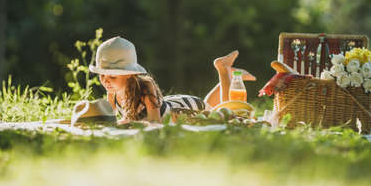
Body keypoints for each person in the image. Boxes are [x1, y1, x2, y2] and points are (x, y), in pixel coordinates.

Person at [89, 36, 256, 124]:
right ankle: (231, 76)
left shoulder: (146, 87)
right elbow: (111, 121)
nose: (106, 81)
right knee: (209, 104)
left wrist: (127, 124)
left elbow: (155, 123)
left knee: (224, 112)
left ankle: (224, 71)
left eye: (112, 76)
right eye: (102, 75)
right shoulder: (112, 92)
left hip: (182, 109)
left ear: (130, 74)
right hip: (167, 103)